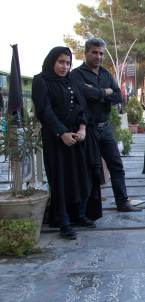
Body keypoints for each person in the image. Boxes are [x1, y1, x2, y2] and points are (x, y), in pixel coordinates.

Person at [32, 47, 100, 239]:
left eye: (68, 63)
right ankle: (63, 221)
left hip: (76, 136)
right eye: (61, 62)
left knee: (81, 176)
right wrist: (62, 132)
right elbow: (45, 111)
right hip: (56, 138)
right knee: (60, 180)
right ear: (52, 61)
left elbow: (80, 107)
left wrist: (81, 128)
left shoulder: (71, 80)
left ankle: (78, 215)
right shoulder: (41, 81)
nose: (65, 66)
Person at [70, 38, 141, 212]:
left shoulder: (106, 74)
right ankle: (87, 210)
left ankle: (122, 202)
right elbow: (82, 92)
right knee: (90, 170)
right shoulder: (77, 74)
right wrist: (104, 92)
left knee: (116, 166)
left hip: (106, 128)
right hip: (88, 129)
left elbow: (118, 96)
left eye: (101, 53)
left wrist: (97, 94)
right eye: (94, 52)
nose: (98, 56)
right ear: (86, 53)